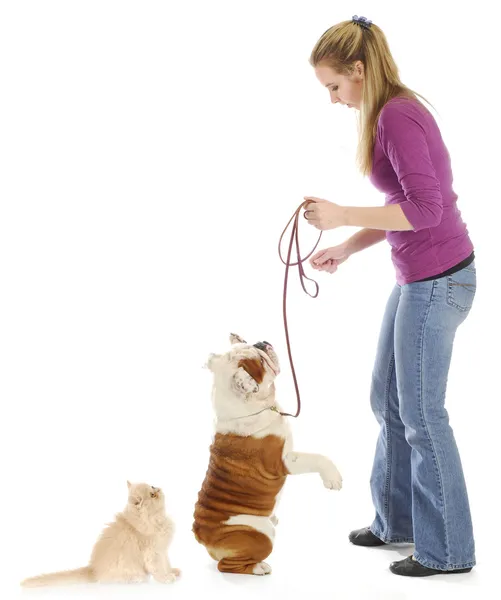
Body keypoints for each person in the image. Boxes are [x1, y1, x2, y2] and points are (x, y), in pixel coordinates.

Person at [304, 16, 476, 577]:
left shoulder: (399, 115)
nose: (332, 99)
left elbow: (426, 210)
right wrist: (349, 245)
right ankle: (396, 522)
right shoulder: (386, 114)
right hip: (418, 278)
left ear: (358, 69)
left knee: (422, 414)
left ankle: (447, 550)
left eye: (334, 86)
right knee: (389, 399)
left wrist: (342, 214)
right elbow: (405, 205)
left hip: (439, 279)